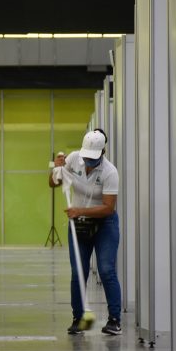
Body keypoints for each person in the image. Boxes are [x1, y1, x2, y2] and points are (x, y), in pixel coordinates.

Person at [53, 130, 122, 335]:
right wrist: (57, 170)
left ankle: (114, 320)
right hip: (79, 224)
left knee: (106, 269)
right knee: (78, 272)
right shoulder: (74, 159)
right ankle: (79, 318)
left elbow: (109, 208)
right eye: (86, 157)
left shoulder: (110, 172)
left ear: (103, 152)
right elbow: (54, 183)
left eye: (93, 158)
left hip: (104, 225)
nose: (88, 162)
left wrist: (79, 210)